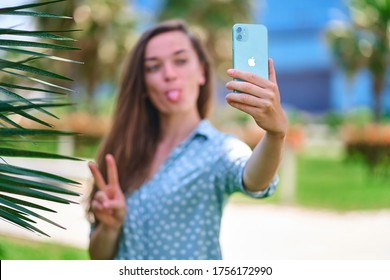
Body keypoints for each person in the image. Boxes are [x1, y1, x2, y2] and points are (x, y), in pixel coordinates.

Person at [87, 19, 287, 260]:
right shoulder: (124, 151)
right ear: (143, 83)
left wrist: (275, 135)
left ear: (202, 72)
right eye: (153, 67)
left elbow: (254, 179)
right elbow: (98, 258)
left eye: (180, 61)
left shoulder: (218, 150)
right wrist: (110, 227)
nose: (169, 74)